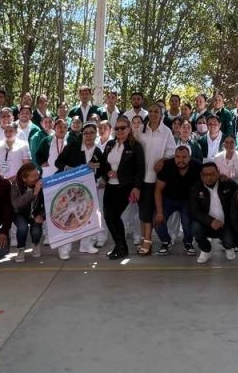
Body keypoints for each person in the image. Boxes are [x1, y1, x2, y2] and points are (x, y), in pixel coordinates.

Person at [97, 118, 146, 259]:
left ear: (129, 129)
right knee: (108, 216)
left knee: (114, 216)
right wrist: (107, 173)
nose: (119, 130)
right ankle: (119, 245)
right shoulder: (110, 144)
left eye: (123, 128)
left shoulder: (135, 146)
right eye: (117, 128)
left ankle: (121, 246)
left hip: (125, 186)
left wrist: (136, 187)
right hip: (110, 186)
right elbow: (104, 164)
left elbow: (140, 169)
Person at [53, 122, 103, 257]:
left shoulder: (98, 152)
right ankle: (64, 248)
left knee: (87, 216)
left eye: (92, 133)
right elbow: (58, 162)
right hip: (69, 188)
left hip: (87, 189)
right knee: (67, 217)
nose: (89, 135)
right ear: (82, 134)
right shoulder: (73, 146)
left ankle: (85, 245)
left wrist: (97, 173)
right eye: (86, 133)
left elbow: (100, 170)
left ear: (96, 134)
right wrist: (69, 169)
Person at [136, 104, 175, 255]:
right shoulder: (141, 129)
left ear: (161, 115)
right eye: (151, 111)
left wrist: (163, 160)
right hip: (140, 176)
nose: (153, 114)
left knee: (148, 211)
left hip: (155, 177)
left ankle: (148, 241)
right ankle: (143, 237)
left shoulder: (166, 132)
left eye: (156, 112)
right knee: (142, 210)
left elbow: (172, 151)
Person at [153, 145, 201, 255]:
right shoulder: (167, 165)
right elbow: (158, 189)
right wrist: (159, 213)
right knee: (157, 219)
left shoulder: (197, 166)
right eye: (178, 157)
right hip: (168, 199)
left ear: (189, 157)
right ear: (174, 157)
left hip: (187, 200)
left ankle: (188, 242)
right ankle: (166, 241)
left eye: (184, 157)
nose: (180, 160)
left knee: (187, 222)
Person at [190, 161, 237, 263]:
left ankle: (228, 247)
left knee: (229, 241)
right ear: (201, 175)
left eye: (212, 174)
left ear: (218, 173)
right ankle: (206, 250)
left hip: (225, 224)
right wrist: (210, 221)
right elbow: (194, 210)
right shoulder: (195, 188)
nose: (209, 177)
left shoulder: (229, 185)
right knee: (195, 227)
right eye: (206, 175)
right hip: (206, 224)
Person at [11, 162, 46, 261]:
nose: (37, 178)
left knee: (36, 231)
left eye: (37, 174)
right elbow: (16, 203)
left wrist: (42, 215)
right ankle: (21, 249)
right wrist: (33, 192)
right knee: (22, 227)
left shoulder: (43, 183)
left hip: (36, 212)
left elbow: (48, 202)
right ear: (24, 178)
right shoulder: (16, 185)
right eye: (33, 176)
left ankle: (35, 244)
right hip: (20, 213)